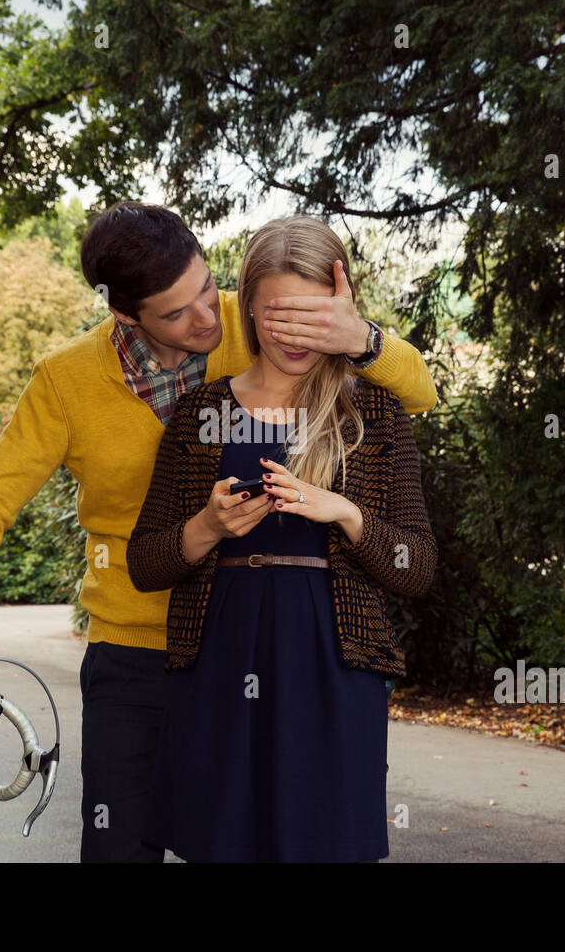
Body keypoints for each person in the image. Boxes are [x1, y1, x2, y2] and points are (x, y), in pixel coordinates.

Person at [0, 201, 437, 862]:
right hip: (135, 657)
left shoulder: (263, 318)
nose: (206, 318)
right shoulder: (66, 381)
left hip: (248, 657)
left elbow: (415, 393)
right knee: (118, 849)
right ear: (124, 313)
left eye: (205, 289)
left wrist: (361, 335)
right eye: (176, 312)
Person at [126, 215, 437, 861]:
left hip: (334, 661)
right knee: (222, 842)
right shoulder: (200, 412)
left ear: (341, 307)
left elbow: (417, 567)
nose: (293, 333)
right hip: (217, 656)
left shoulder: (374, 412)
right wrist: (205, 529)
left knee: (320, 843)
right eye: (275, 314)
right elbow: (144, 563)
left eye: (312, 314)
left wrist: (346, 515)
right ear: (246, 308)